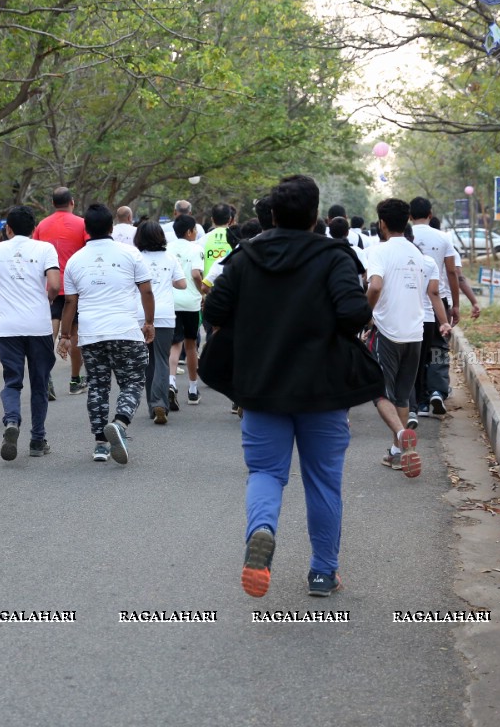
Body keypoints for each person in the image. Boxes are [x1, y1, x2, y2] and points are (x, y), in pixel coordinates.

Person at [203, 174, 380, 599]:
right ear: (316, 215)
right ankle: (322, 572)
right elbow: (354, 313)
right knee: (323, 480)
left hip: (262, 386)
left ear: (274, 213)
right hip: (323, 389)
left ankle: (261, 530)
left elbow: (216, 308)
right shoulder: (335, 255)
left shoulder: (246, 256)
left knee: (265, 472)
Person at [60, 204, 155, 464]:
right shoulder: (131, 253)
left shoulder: (75, 260)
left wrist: (65, 336)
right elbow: (146, 291)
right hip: (125, 330)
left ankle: (101, 445)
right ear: (111, 227)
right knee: (133, 382)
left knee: (98, 387)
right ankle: (121, 423)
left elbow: (70, 302)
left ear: (86, 230)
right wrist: (148, 322)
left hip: (91, 334)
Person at [0, 206, 62, 459]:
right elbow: (56, 285)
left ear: (7, 229)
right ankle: (38, 441)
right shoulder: (45, 248)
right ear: (34, 229)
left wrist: (3, 289)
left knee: (12, 381)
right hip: (39, 327)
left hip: (8, 329)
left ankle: (12, 421)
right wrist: (45, 299)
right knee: (39, 383)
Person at [366, 198, 432, 480]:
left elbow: (376, 284)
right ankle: (397, 453)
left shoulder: (378, 250)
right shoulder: (417, 254)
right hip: (415, 332)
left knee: (379, 391)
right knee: (403, 394)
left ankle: (401, 433)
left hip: (387, 330)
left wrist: (365, 312)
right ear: (406, 221)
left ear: (382, 223)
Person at [33, 186, 89, 396]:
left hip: (50, 285)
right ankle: (75, 380)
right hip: (75, 286)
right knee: (75, 333)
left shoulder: (42, 226)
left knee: (50, 332)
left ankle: (46, 376)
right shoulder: (82, 224)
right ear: (72, 202)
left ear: (53, 203)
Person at [409, 197, 459, 415]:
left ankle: (417, 401)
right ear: (430, 213)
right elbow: (451, 272)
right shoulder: (443, 237)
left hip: (411, 297)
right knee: (438, 347)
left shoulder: (405, 235)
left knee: (415, 351)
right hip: (439, 297)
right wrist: (455, 304)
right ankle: (437, 391)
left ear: (409, 215)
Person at [133, 221, 186, 424]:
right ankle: (159, 404)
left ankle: (152, 406)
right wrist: (166, 280)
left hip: (140, 313)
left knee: (148, 362)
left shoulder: (135, 258)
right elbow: (182, 284)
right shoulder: (170, 258)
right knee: (162, 359)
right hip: (164, 315)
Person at [168, 215, 206, 407]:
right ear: (189, 231)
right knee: (191, 345)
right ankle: (192, 389)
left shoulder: (168, 248)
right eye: (195, 230)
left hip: (171, 302)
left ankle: (171, 383)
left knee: (175, 344)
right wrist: (203, 292)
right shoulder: (196, 248)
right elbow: (196, 274)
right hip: (190, 302)